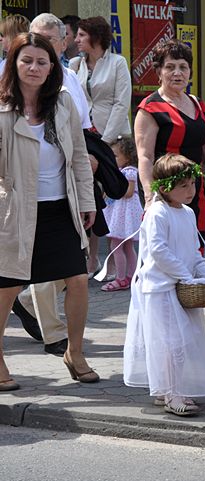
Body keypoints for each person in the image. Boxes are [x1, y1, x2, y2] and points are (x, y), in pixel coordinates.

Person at [0, 33, 97, 392]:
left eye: (43, 61)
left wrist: (86, 202)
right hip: (14, 211)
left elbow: (78, 159)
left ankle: (74, 351)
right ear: (14, 63)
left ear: (53, 67)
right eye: (27, 60)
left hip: (60, 207)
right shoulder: (2, 108)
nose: (35, 68)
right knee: (8, 287)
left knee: (78, 279)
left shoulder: (63, 104)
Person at [123, 154, 205, 416]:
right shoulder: (157, 212)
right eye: (184, 186)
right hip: (161, 287)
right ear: (165, 187)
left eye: (193, 184)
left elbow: (192, 249)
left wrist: (204, 272)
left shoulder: (188, 212)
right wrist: (184, 275)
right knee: (169, 343)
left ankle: (167, 388)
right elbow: (158, 250)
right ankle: (171, 393)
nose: (191, 191)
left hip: (181, 287)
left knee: (181, 341)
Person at [135, 40, 205, 237]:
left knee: (195, 252)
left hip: (194, 192)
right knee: (168, 257)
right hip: (167, 197)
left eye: (183, 67)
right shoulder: (150, 108)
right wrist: (150, 197)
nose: (177, 73)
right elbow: (145, 157)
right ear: (158, 72)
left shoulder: (197, 103)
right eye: (170, 67)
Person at [70, 16, 131, 144]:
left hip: (115, 137)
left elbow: (121, 104)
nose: (76, 40)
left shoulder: (117, 63)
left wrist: (107, 139)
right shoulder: (75, 64)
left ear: (96, 37)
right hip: (85, 135)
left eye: (81, 35)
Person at [100, 136, 142, 292]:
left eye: (116, 156)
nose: (113, 159)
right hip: (120, 212)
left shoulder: (129, 171)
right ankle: (131, 276)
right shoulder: (119, 171)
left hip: (125, 212)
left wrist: (114, 187)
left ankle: (121, 278)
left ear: (128, 157)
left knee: (116, 245)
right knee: (126, 246)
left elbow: (129, 192)